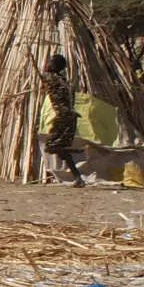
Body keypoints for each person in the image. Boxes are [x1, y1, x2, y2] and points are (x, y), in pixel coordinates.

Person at [37, 52, 87, 188]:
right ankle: (78, 177)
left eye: (49, 62)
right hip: (70, 116)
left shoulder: (51, 78)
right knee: (58, 146)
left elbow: (39, 74)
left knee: (51, 146)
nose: (46, 64)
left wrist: (29, 57)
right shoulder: (63, 81)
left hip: (63, 117)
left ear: (54, 66)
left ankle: (76, 153)